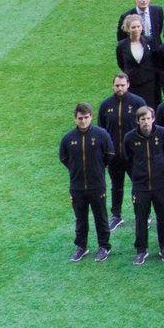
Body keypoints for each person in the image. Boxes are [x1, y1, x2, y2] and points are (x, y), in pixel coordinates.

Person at [60, 104, 116, 262]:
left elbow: (110, 154)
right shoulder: (68, 138)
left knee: (101, 217)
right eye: (80, 118)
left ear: (91, 117)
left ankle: (104, 246)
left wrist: (98, 167)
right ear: (75, 119)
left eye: (86, 117)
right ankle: (81, 247)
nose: (83, 121)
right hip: (77, 186)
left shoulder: (101, 134)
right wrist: (75, 170)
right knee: (80, 218)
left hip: (96, 185)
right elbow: (64, 158)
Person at [123, 106, 164, 264]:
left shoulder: (162, 133)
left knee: (163, 217)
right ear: (137, 121)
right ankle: (141, 250)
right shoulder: (129, 138)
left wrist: (161, 172)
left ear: (153, 119)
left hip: (161, 184)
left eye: (148, 118)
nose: (146, 122)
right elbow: (127, 160)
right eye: (142, 119)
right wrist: (137, 175)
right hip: (140, 186)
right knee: (141, 218)